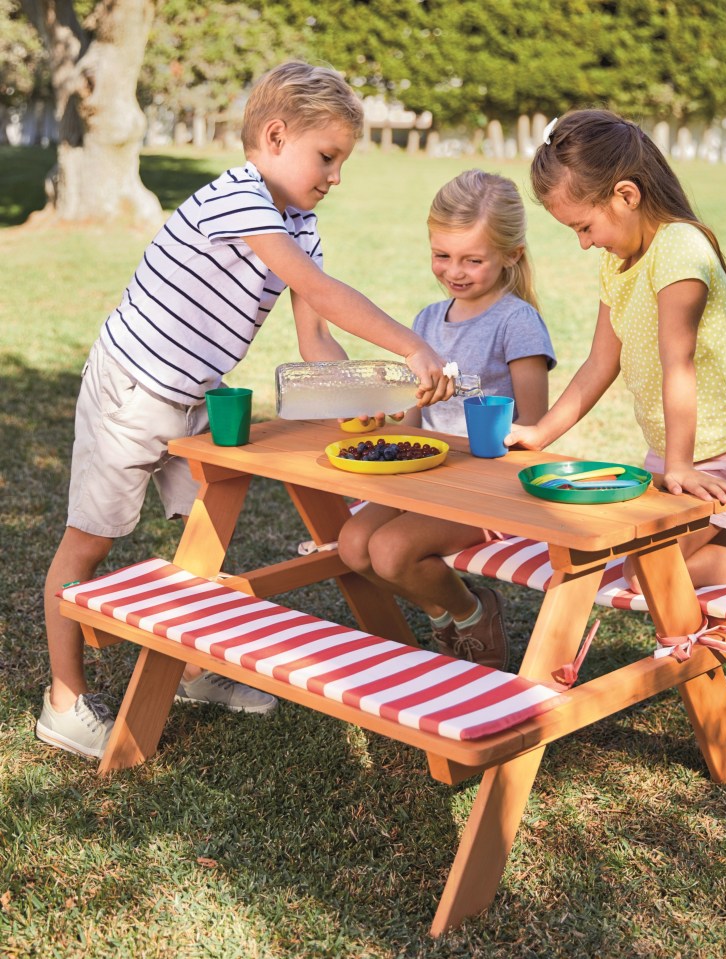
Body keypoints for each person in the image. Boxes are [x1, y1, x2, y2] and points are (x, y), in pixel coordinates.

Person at [36, 61, 454, 760]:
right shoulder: (237, 199)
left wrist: (361, 398)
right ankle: (64, 699)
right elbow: (316, 288)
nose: (334, 176)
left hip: (193, 395)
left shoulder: (300, 222)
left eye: (341, 162)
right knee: (89, 543)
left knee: (206, 527)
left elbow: (314, 331)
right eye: (327, 156)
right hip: (133, 386)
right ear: (274, 134)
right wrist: (410, 346)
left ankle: (194, 670)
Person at [505, 109, 726, 713]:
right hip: (679, 451)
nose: (584, 243)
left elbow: (677, 361)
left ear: (625, 195)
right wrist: (539, 432)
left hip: (723, 447)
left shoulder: (680, 250)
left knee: (655, 574)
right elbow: (600, 362)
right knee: (678, 577)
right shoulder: (619, 261)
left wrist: (679, 464)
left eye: (584, 226)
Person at [337, 169, 556, 670]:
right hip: (427, 479)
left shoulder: (516, 322)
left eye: (472, 260)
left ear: (510, 256)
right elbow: (412, 424)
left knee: (391, 551)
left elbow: (537, 427)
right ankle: (447, 611)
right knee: (353, 545)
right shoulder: (426, 322)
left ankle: (472, 611)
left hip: (489, 488)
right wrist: (383, 424)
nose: (454, 271)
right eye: (442, 255)